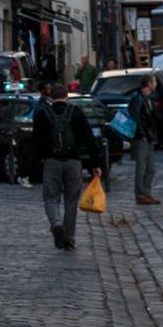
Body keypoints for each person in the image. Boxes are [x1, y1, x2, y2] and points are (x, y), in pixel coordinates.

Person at [32, 82, 101, 251]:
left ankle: (56, 223)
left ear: (50, 97)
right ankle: (69, 238)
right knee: (71, 201)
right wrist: (96, 164)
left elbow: (35, 141)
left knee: (50, 198)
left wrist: (38, 160)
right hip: (73, 162)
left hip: (51, 161)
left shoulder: (42, 114)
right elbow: (89, 139)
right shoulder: (76, 112)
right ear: (67, 96)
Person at [130, 74, 161, 206]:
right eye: (154, 81)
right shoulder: (138, 98)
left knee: (151, 168)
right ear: (149, 83)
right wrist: (142, 134)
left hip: (148, 137)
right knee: (141, 168)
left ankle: (146, 193)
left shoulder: (149, 99)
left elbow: (153, 119)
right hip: (141, 138)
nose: (156, 84)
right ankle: (140, 194)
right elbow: (136, 118)